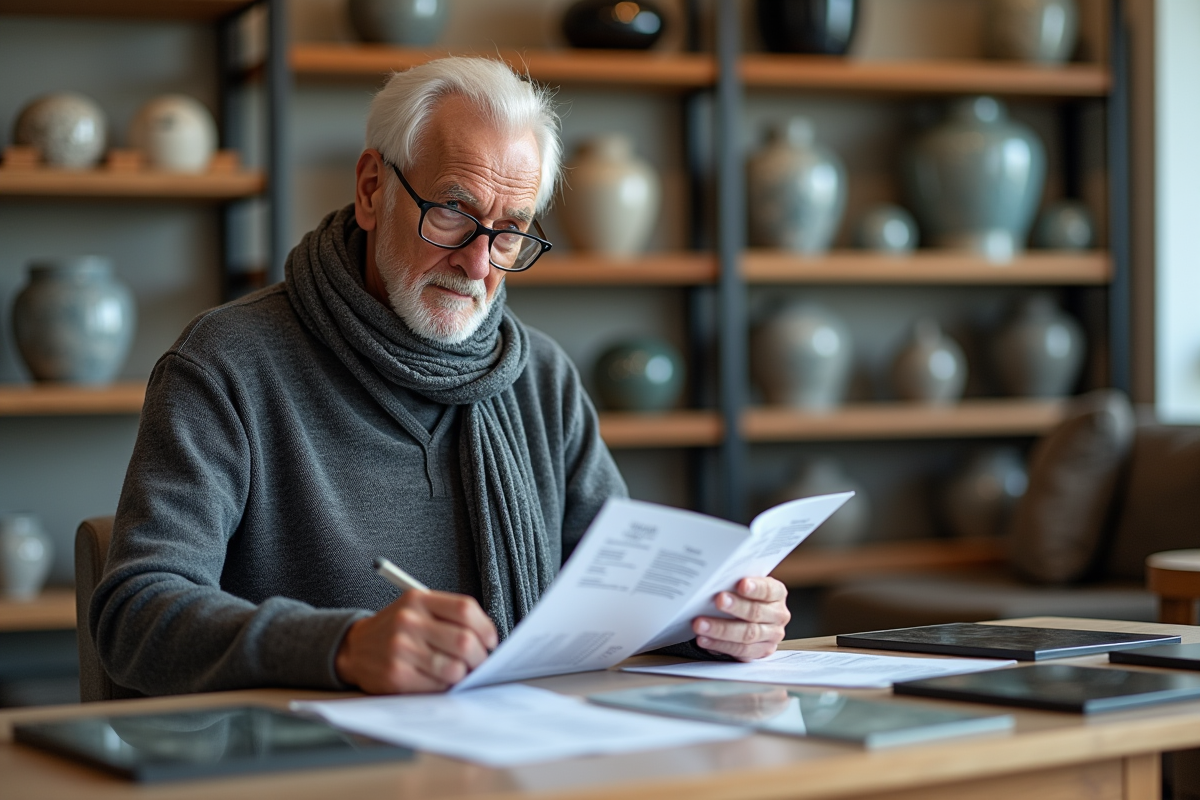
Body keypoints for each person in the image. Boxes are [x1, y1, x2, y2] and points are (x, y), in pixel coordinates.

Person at [91, 56, 790, 696]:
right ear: (372, 190)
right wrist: (340, 648)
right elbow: (137, 614)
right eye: (455, 210)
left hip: (523, 755)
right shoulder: (227, 364)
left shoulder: (541, 376)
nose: (480, 264)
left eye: (510, 228)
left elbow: (623, 599)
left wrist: (715, 621)